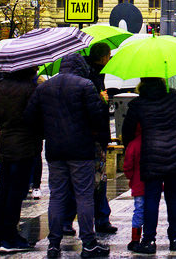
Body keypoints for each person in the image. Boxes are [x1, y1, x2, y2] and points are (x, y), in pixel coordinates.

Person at [23, 52, 110, 259]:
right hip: (81, 150)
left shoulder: (44, 87)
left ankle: (53, 244)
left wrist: (47, 133)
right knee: (84, 196)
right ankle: (88, 243)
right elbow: (98, 118)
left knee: (58, 196)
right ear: (80, 67)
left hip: (56, 150)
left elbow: (29, 117)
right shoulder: (85, 86)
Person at [122, 77, 176, 254]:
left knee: (152, 197)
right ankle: (175, 238)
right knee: (174, 197)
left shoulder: (138, 103)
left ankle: (149, 240)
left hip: (151, 153)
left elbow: (128, 131)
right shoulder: (174, 96)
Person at [0, 66, 42, 253]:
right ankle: (10, 237)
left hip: (4, 143)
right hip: (24, 144)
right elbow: (35, 117)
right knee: (16, 192)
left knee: (2, 190)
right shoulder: (30, 89)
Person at [83, 44, 117, 236]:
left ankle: (101, 218)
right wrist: (101, 100)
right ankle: (101, 220)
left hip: (89, 137)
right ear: (103, 58)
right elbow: (91, 109)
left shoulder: (93, 75)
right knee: (96, 180)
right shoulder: (91, 79)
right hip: (94, 137)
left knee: (92, 180)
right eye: (109, 56)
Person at [122, 124, 146, 252]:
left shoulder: (133, 144)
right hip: (152, 185)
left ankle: (135, 238)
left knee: (138, 211)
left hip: (137, 185)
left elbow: (127, 166)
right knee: (150, 211)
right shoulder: (151, 142)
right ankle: (148, 236)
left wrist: (131, 178)